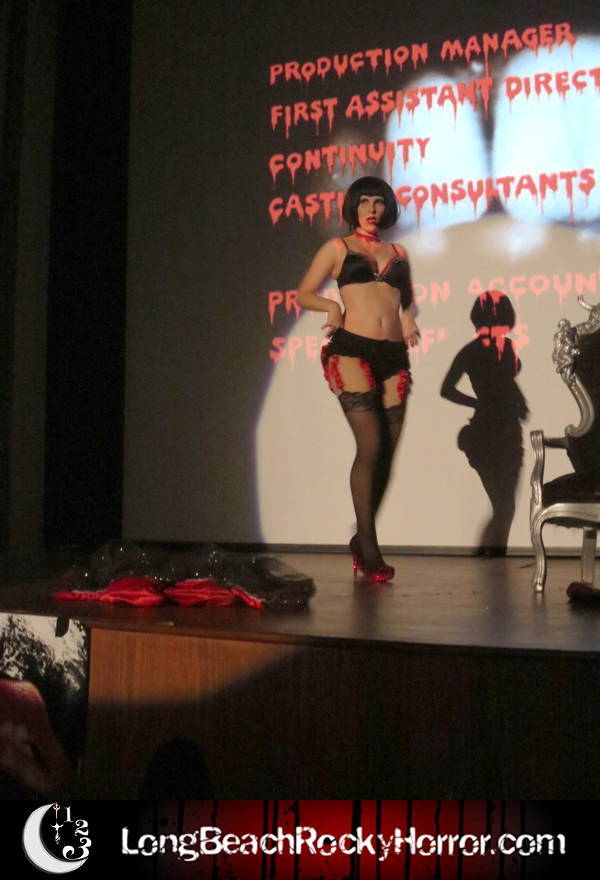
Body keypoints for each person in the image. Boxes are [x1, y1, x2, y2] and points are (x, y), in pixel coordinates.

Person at [297, 176, 419, 582]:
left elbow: (405, 299)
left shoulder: (398, 253)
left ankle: (362, 537)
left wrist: (407, 319)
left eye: (378, 202)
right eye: (364, 202)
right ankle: (368, 545)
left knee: (388, 452)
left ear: (387, 208)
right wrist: (331, 307)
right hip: (351, 350)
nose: (371, 209)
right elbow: (303, 293)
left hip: (393, 356)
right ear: (353, 207)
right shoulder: (338, 248)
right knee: (371, 443)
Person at [440, 290, 528, 555]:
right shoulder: (500, 348)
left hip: (497, 427)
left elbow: (449, 389)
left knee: (503, 504)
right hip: (496, 430)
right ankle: (491, 554)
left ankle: (491, 554)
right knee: (504, 504)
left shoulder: (473, 351)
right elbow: (448, 389)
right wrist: (483, 403)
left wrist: (485, 403)